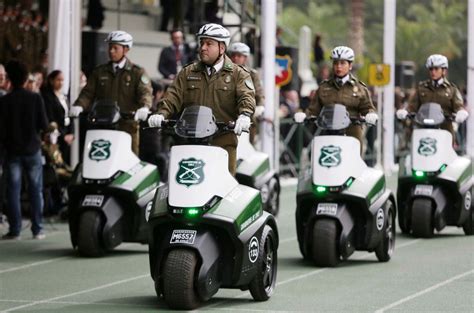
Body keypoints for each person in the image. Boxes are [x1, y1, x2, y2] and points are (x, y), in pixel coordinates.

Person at [148, 23, 256, 175]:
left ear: (222, 48)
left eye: (209, 43)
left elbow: (247, 96)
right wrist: (161, 113)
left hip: (222, 144)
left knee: (222, 192)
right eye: (201, 43)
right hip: (190, 142)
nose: (203, 47)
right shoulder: (188, 72)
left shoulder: (238, 74)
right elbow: (172, 95)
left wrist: (245, 115)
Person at [70, 30, 153, 155]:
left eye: (115, 48)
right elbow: (88, 93)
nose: (111, 51)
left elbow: (145, 92)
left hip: (127, 125)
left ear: (125, 50)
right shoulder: (100, 72)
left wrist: (145, 107)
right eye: (109, 47)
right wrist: (79, 105)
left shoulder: (137, 72)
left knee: (128, 161)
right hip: (103, 124)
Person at [0, 60, 49, 240]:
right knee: (36, 190)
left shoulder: (4, 101)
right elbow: (43, 125)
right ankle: (38, 229)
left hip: (12, 152)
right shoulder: (35, 98)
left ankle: (15, 230)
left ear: (10, 79)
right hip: (33, 150)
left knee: (13, 191)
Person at [307, 46, 378, 151]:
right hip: (328, 131)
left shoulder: (359, 88)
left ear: (350, 66)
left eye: (342, 63)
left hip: (352, 131)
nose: (338, 67)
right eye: (335, 63)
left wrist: (370, 114)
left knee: (353, 162)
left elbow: (367, 107)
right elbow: (313, 110)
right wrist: (303, 115)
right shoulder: (324, 87)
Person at [396, 54, 468, 139]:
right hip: (423, 129)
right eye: (431, 69)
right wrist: (405, 111)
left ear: (444, 70)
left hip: (445, 130)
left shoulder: (452, 89)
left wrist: (461, 112)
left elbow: (458, 105)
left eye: (436, 69)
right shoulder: (421, 88)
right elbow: (412, 106)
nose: (433, 72)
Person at [228, 42, 264, 144]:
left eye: (239, 56)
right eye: (233, 55)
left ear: (245, 58)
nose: (235, 58)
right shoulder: (224, 72)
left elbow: (259, 93)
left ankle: (250, 144)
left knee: (251, 125)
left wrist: (260, 106)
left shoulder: (252, 74)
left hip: (245, 110)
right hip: (228, 110)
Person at [41, 70, 74, 164]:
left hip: (67, 131)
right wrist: (63, 135)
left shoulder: (64, 96)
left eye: (62, 80)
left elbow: (69, 114)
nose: (61, 83)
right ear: (52, 81)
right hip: (57, 135)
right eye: (58, 80)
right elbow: (51, 118)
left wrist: (71, 132)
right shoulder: (48, 97)